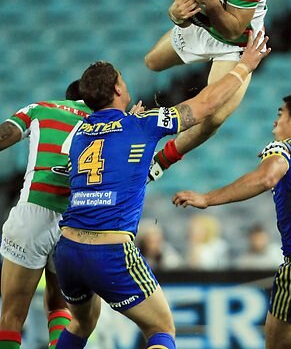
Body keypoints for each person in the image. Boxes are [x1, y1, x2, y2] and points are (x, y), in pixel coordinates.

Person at [52, 31, 270, 349]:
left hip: (68, 249)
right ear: (117, 88)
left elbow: (107, 159)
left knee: (81, 323)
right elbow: (205, 105)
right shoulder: (142, 123)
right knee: (161, 328)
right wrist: (244, 66)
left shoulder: (78, 132)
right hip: (110, 250)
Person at [173, 93, 291, 349]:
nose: (275, 122)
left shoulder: (285, 148)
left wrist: (207, 198)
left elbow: (266, 178)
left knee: (279, 344)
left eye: (280, 114)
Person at [145, 0, 269, 182]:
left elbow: (233, 28)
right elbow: (181, 13)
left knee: (213, 117)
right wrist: (175, 14)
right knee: (151, 62)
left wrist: (212, 3)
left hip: (237, 44)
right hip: (201, 29)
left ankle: (159, 161)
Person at [0, 81, 91, 349]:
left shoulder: (42, 109)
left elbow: (6, 133)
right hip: (76, 219)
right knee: (59, 304)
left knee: (12, 314)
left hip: (35, 211)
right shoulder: (104, 123)